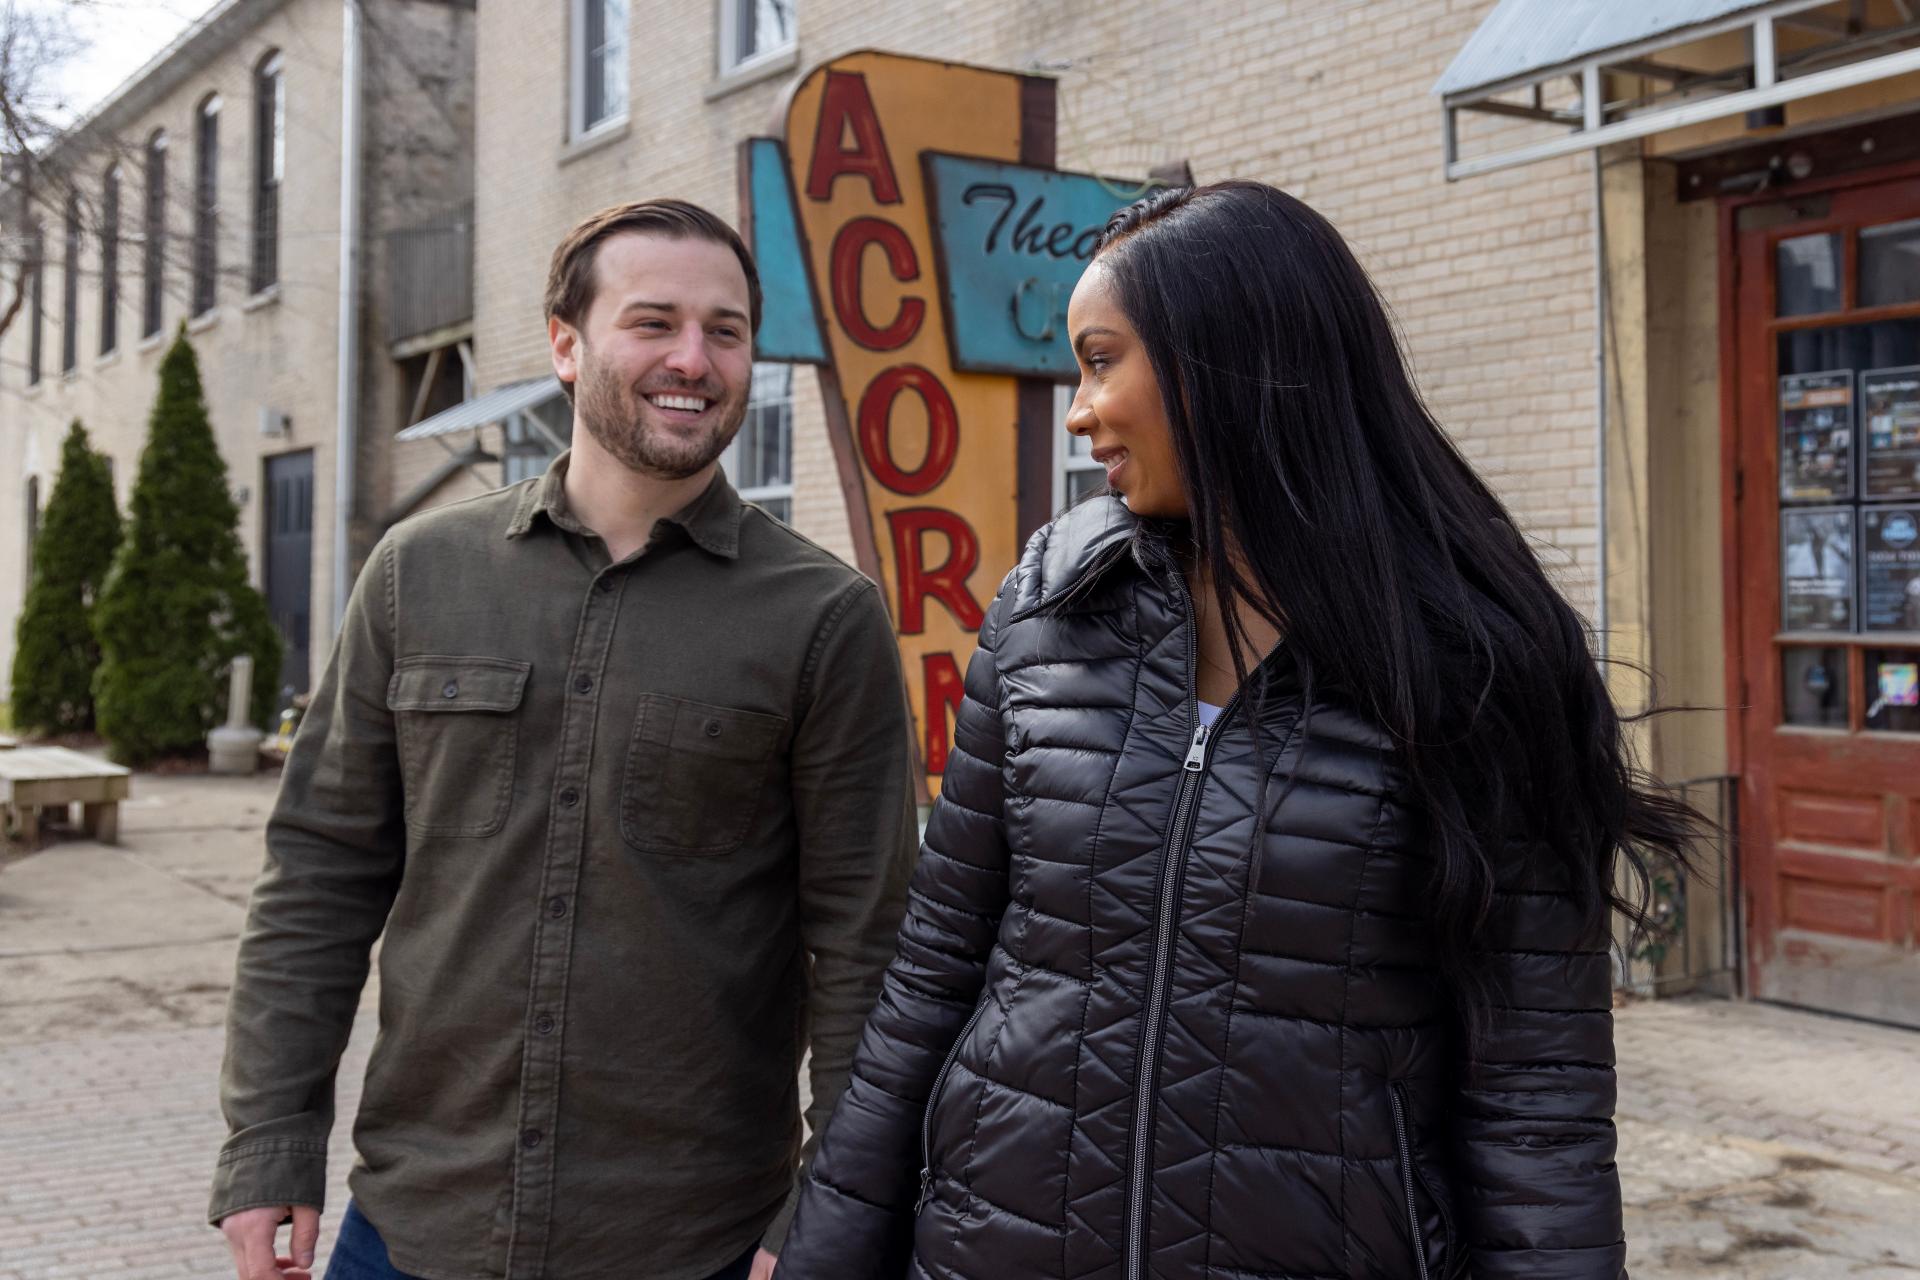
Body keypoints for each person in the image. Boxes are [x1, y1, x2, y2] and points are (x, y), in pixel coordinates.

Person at [773, 182, 1698, 1280]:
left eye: (1103, 359)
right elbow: (932, 978)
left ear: (1228, 361)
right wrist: (828, 1246)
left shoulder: (1479, 663)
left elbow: (1536, 1100)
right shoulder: (1047, 610)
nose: (1079, 411)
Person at [209, 199, 918, 1280]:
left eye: (726, 330)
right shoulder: (417, 572)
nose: (694, 358)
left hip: (696, 1243)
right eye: (654, 322)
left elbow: (867, 946)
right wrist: (270, 1138)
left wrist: (828, 1208)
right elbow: (318, 874)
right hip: (416, 1227)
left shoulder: (823, 618)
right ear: (564, 341)